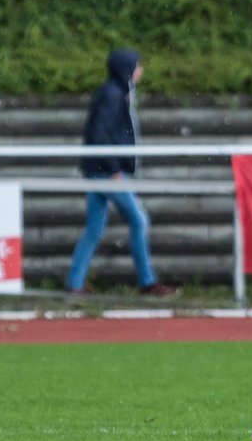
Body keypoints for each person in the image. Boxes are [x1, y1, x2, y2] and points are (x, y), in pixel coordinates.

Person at [66, 49, 177, 297]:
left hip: (98, 170)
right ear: (125, 69)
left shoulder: (113, 93)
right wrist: (115, 169)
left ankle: (74, 284)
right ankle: (147, 282)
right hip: (106, 172)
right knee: (139, 220)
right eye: (136, 66)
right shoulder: (112, 95)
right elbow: (99, 135)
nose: (140, 71)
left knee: (94, 229)